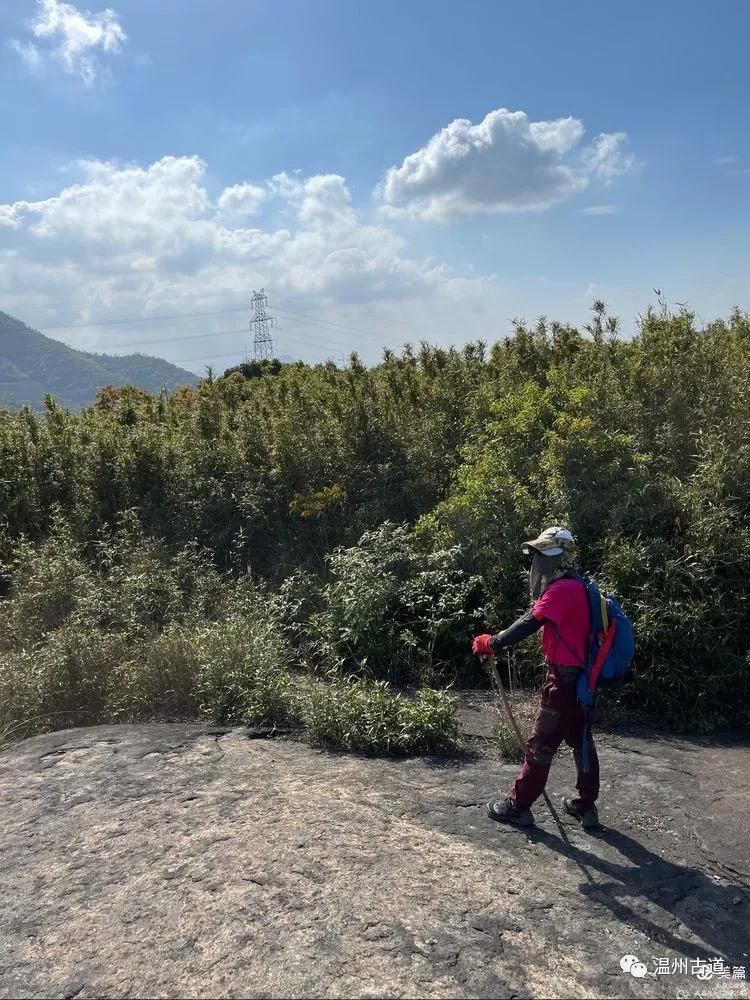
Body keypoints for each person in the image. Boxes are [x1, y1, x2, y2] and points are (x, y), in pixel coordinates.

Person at [472, 526, 600, 829]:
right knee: (582, 741)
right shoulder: (584, 586)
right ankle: (586, 806)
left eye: (545, 555)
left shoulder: (562, 589)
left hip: (563, 683)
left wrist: (493, 642)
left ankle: (518, 805)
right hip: (584, 682)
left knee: (541, 744)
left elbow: (531, 621)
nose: (539, 562)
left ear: (561, 557)